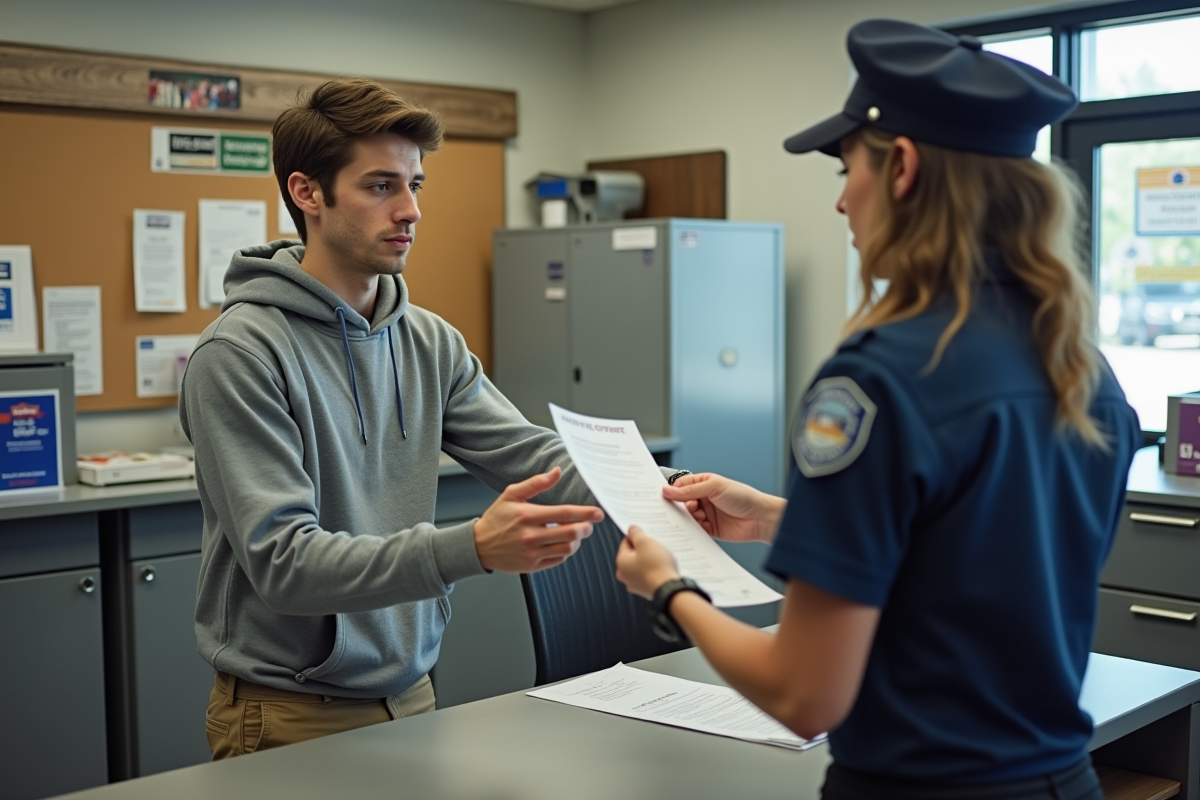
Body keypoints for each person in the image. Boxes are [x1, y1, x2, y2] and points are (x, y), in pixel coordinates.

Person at [615, 18, 1142, 800]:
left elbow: (804, 696)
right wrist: (776, 519)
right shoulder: (1079, 368)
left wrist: (669, 590)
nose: (840, 202)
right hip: (1062, 780)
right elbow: (975, 561)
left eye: (847, 169)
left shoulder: (878, 380)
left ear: (902, 168)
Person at [179, 78, 606, 759]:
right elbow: (284, 562)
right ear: (307, 193)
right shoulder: (240, 353)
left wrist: (670, 491)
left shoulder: (428, 341)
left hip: (414, 693)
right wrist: (472, 548)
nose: (410, 210)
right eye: (381, 186)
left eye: (415, 184)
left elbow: (534, 456)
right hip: (291, 712)